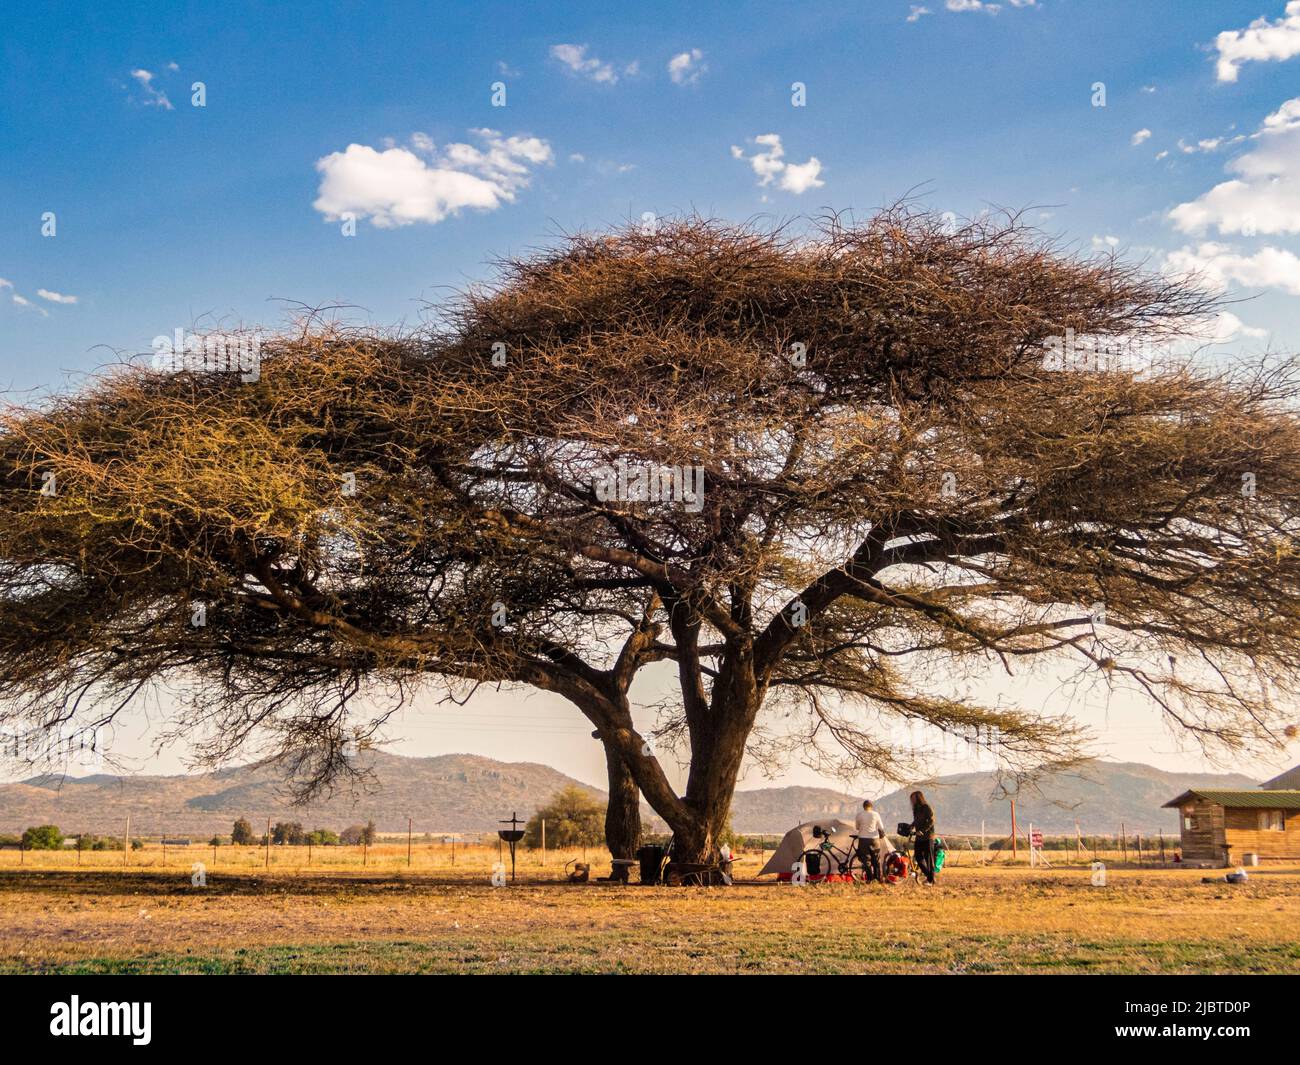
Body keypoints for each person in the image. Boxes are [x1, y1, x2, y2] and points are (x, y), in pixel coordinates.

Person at [854, 799, 887, 882]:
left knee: (866, 860)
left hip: (863, 839)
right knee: (876, 859)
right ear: (871, 807)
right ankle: (878, 878)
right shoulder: (876, 814)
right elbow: (881, 827)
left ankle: (869, 878)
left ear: (863, 806)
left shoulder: (859, 815)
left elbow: (857, 827)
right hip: (874, 839)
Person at [909, 790, 937, 884]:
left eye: (913, 798)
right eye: (911, 799)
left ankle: (930, 879)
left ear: (918, 798)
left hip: (928, 837)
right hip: (919, 837)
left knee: (929, 859)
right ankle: (930, 877)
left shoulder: (926, 807)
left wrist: (923, 830)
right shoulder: (915, 809)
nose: (912, 801)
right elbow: (916, 820)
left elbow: (931, 821)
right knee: (918, 857)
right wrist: (911, 826)